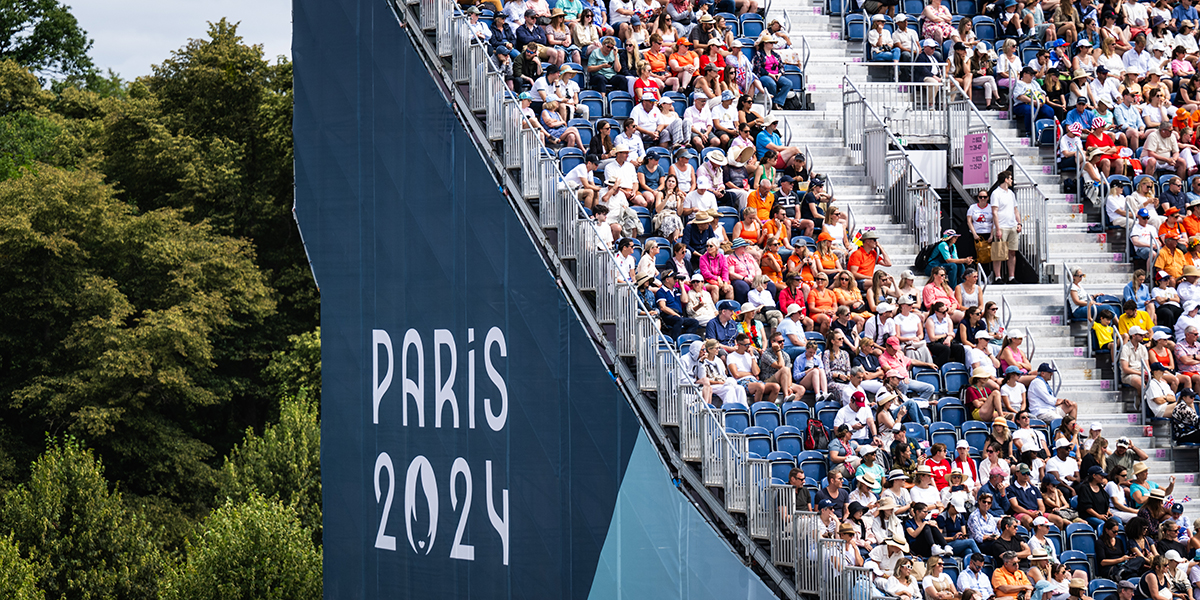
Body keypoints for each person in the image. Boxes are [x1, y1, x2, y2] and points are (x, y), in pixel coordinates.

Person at [991, 170, 1022, 283]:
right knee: (998, 252)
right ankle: (998, 276)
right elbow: (994, 211)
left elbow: (1015, 209)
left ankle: (1011, 277)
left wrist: (1019, 223)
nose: (1011, 180)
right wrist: (997, 228)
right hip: (1002, 226)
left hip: (1012, 225)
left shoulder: (1011, 193)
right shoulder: (996, 193)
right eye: (1010, 178)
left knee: (1012, 252)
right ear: (1006, 179)